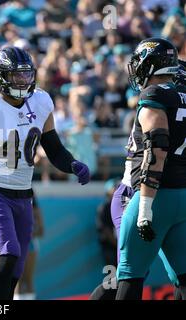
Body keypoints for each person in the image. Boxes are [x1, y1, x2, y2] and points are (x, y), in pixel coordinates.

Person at [0, 46, 90, 300]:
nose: (23, 81)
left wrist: (72, 164)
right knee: (7, 253)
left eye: (26, 75)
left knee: (17, 269)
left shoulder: (41, 101)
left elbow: (53, 148)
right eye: (16, 76)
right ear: (1, 77)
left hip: (24, 195)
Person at [90, 57, 186, 301]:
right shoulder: (164, 101)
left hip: (157, 194)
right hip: (135, 193)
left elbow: (159, 153)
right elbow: (157, 153)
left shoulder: (160, 97)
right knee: (128, 274)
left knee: (172, 275)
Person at [115, 38, 186, 300]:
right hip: (183, 196)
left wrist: (145, 207)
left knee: (129, 276)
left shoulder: (154, 94)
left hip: (157, 196)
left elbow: (157, 149)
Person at [13, 193, 44, 300]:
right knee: (17, 280)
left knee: (28, 280)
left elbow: (41, 230)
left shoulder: (33, 205)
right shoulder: (7, 201)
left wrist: (26, 232)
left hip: (29, 244)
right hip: (14, 245)